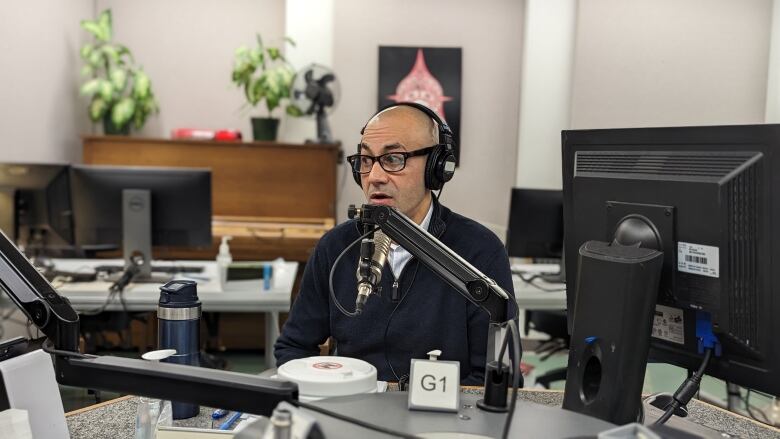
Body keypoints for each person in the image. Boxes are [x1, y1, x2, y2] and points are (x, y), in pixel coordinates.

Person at [274, 103, 517, 385]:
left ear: (437, 167)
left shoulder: (480, 251)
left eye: (393, 159)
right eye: (365, 161)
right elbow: (293, 348)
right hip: (352, 413)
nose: (375, 177)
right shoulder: (335, 247)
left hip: (443, 421)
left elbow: (494, 379)